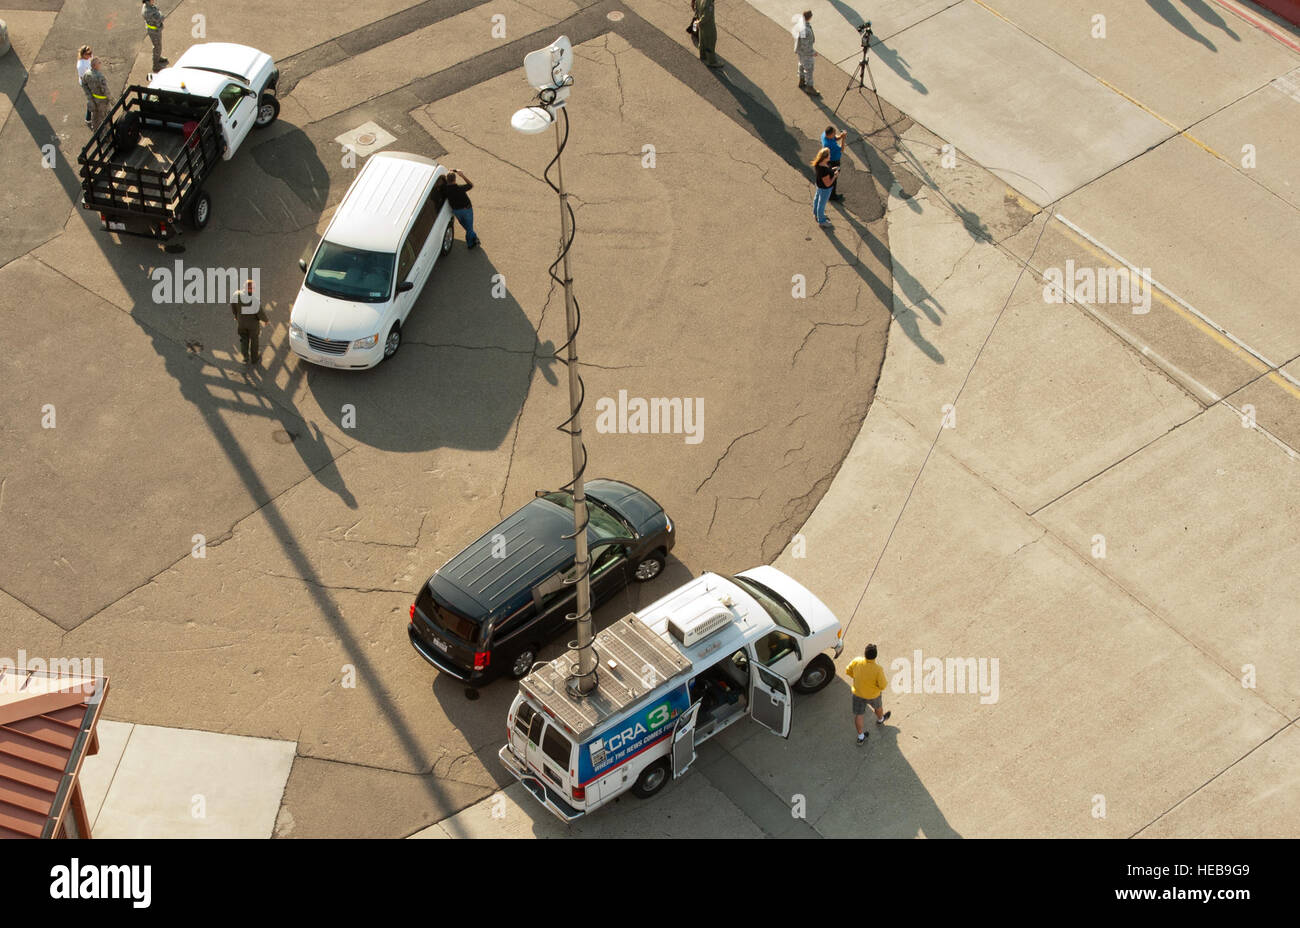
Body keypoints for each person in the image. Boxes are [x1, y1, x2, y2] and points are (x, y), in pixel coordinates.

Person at [845, 644, 891, 744]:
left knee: (859, 714)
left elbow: (848, 671)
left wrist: (856, 678)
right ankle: (880, 719)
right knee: (878, 707)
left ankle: (861, 737)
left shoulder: (857, 661)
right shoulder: (878, 669)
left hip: (858, 693)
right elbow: (883, 685)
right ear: (875, 656)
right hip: (873, 695)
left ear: (865, 653)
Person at [231, 279, 268, 367]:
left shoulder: (236, 295)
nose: (254, 289)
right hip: (253, 325)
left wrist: (236, 315)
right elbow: (260, 313)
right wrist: (266, 320)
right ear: (250, 289)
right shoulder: (255, 300)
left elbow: (233, 306)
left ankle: (245, 357)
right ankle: (254, 358)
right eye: (253, 288)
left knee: (244, 339)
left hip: (241, 323)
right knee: (254, 340)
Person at [444, 169, 480, 250]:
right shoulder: (460, 188)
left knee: (467, 226)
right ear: (455, 179)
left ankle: (474, 237)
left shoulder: (445, 190)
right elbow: (471, 185)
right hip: (466, 210)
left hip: (456, 211)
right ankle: (470, 244)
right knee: (469, 227)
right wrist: (462, 175)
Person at [811, 147, 837, 227]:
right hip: (825, 189)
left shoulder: (819, 163)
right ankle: (822, 221)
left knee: (817, 199)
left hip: (819, 186)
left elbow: (827, 172)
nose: (830, 156)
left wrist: (832, 170)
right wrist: (835, 176)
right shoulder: (824, 170)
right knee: (821, 204)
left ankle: (816, 213)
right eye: (829, 155)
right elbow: (828, 184)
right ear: (825, 158)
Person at [693, 0, 723, 69]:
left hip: (701, 26)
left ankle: (702, 55)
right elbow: (706, 16)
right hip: (708, 26)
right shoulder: (709, 3)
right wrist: (699, 22)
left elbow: (696, 8)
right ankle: (712, 62)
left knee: (702, 40)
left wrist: (697, 21)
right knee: (710, 42)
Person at [820, 125, 847, 201]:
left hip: (828, 159)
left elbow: (834, 138)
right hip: (833, 161)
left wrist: (840, 136)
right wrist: (843, 139)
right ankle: (832, 196)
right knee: (833, 178)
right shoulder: (830, 144)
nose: (835, 134)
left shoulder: (824, 135)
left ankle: (826, 188)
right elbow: (841, 149)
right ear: (830, 134)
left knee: (829, 176)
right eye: (834, 133)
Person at [83, 58, 111, 130]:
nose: (100, 64)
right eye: (99, 63)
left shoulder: (86, 74)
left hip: (93, 100)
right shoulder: (100, 76)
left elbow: (84, 85)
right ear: (95, 65)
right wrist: (113, 100)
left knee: (95, 119)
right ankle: (108, 137)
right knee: (106, 119)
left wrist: (89, 96)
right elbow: (106, 91)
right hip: (102, 102)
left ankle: (96, 134)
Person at [795, 11, 818, 95]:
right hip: (806, 53)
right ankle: (809, 87)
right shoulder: (805, 29)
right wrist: (812, 52)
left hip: (800, 51)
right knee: (809, 69)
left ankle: (801, 80)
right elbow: (805, 45)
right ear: (810, 17)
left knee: (801, 64)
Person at [142, 0, 168, 72]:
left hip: (156, 29)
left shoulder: (150, 6)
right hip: (154, 32)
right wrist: (160, 13)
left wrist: (159, 13)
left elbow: (158, 13)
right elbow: (161, 18)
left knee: (158, 46)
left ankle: (158, 57)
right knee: (157, 47)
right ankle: (155, 66)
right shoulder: (148, 11)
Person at [77, 45, 94, 127]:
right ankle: (88, 118)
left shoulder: (89, 57)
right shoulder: (81, 65)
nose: (90, 55)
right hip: (87, 84)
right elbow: (82, 78)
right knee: (91, 99)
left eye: (91, 53)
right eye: (88, 54)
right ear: (83, 54)